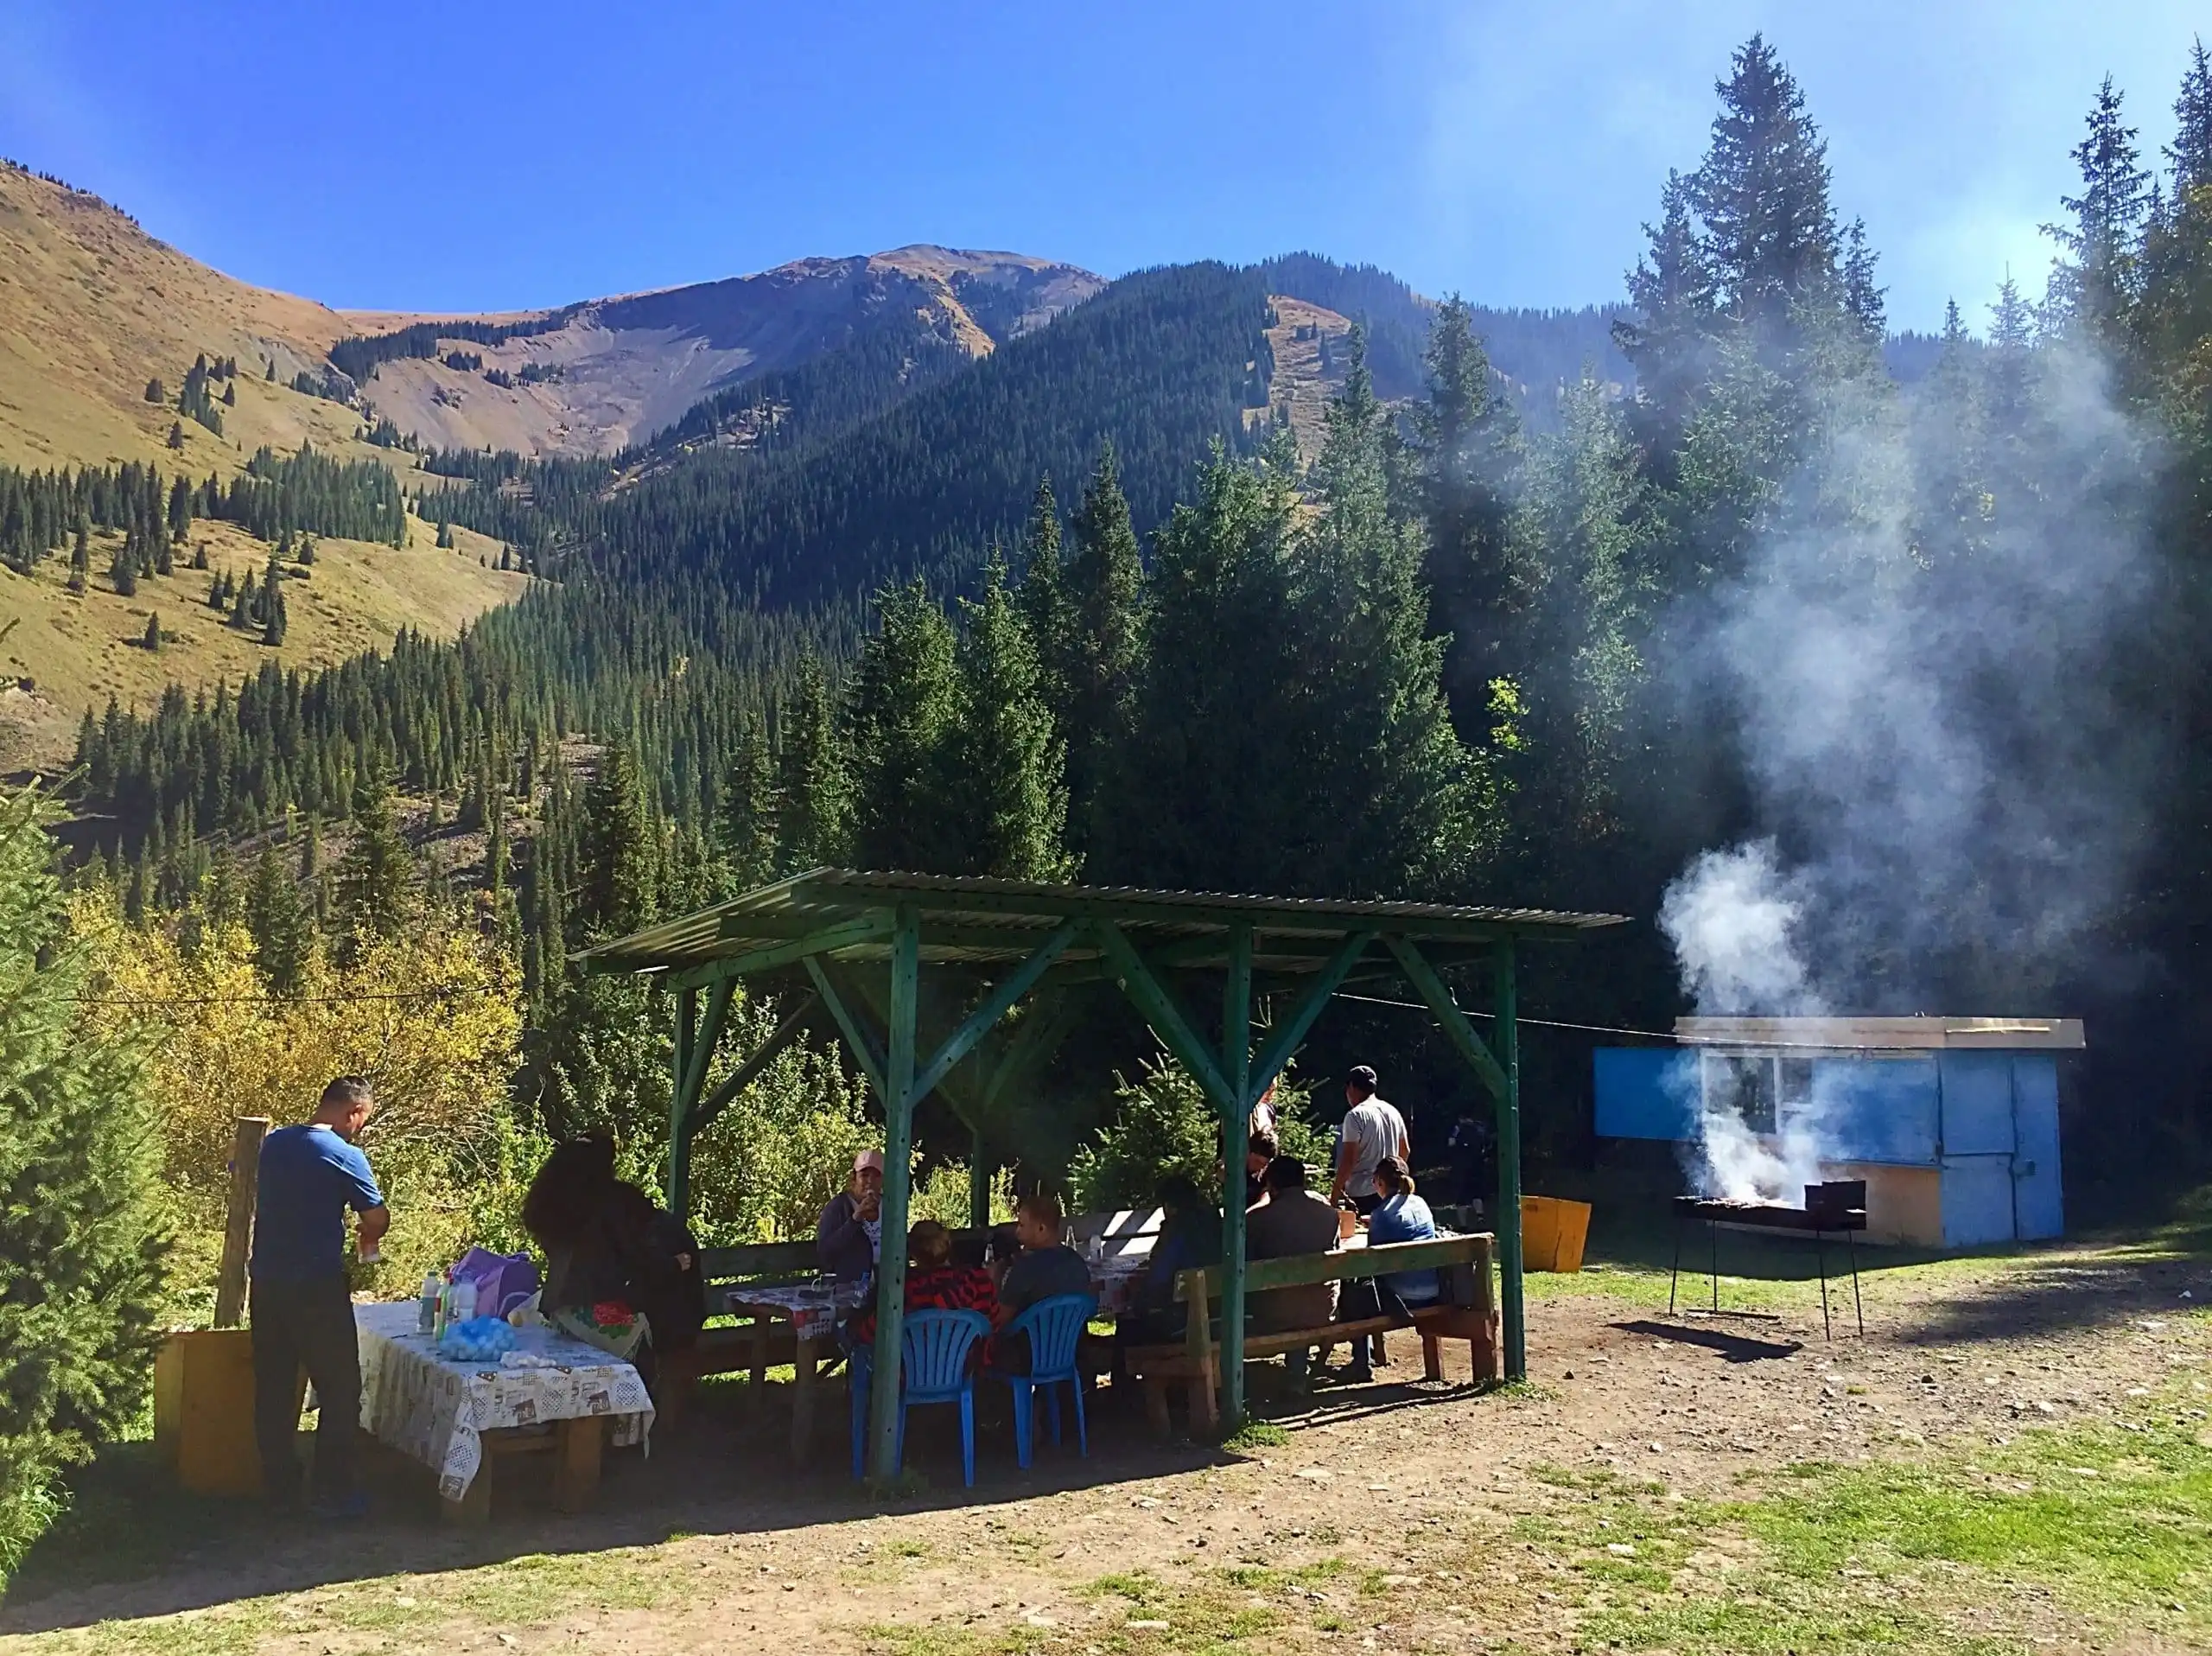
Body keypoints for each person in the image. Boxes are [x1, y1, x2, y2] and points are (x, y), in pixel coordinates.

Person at [250, 1075, 388, 1517]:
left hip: (267, 1281)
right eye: (363, 1119)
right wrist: (368, 1235)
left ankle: (279, 1487)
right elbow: (377, 1216)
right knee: (340, 1387)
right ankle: (333, 1491)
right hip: (316, 1286)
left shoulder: (274, 1144)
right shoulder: (346, 1156)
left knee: (273, 1386)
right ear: (354, 1113)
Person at [521, 1133, 704, 1383]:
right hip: (603, 1316)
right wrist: (674, 1264)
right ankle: (640, 1409)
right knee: (660, 1327)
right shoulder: (616, 1200)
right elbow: (638, 1258)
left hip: (559, 1310)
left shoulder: (547, 1204)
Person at [1243, 1156, 1341, 1383]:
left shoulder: (1257, 1220)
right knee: (1304, 1294)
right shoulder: (1329, 1215)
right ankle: (1298, 1373)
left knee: (1282, 1298)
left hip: (1273, 1315)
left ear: (1271, 1185)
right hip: (1322, 1310)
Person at [845, 1219, 996, 1347]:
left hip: (911, 1377)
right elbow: (994, 1324)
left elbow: (869, 1334)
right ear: (949, 1243)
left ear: (912, 1254)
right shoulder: (979, 1280)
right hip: (968, 1373)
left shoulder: (903, 1291)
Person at [989, 1192, 1093, 1373]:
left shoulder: (1025, 1268)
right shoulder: (1076, 1261)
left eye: (1022, 1225)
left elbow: (1000, 1318)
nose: (1017, 1231)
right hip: (1071, 1352)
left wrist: (995, 1279)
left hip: (1028, 1355)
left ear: (1041, 1229)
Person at [1330, 1066, 1410, 1215]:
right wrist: (1393, 1176)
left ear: (1352, 1087)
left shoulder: (1355, 1116)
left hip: (1361, 1194)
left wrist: (1335, 1194)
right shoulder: (1392, 1111)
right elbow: (1404, 1151)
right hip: (1388, 1191)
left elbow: (1349, 1160)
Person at [1366, 1157, 1443, 1307]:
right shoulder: (1421, 1203)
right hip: (1433, 1289)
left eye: (1373, 1181)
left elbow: (1371, 1260)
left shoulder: (1381, 1215)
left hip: (1399, 1297)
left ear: (1380, 1182)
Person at [817, 1149, 885, 1280]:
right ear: (854, 1178)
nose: (870, 1181)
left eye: (876, 1175)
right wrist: (855, 1218)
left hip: (888, 1283)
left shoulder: (890, 1207)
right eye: (864, 1175)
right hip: (850, 1286)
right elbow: (825, 1252)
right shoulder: (837, 1207)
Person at [1243, 1127, 1280, 1209]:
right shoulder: (1235, 1168)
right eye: (1257, 1162)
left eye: (1265, 1164)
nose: (1261, 1167)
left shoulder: (1266, 1172)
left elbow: (1265, 1199)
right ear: (1248, 1152)